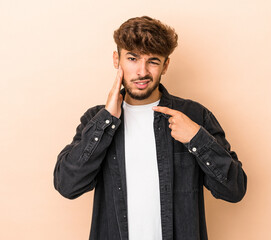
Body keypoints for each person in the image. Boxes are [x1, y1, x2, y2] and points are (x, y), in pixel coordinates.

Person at [54, 16, 247, 240]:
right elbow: (67, 185)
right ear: (117, 59)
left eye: (153, 61)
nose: (142, 71)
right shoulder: (96, 120)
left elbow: (234, 190)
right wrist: (105, 121)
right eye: (133, 58)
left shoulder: (194, 116)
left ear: (165, 65)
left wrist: (196, 139)